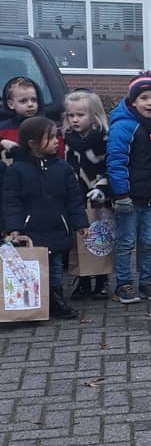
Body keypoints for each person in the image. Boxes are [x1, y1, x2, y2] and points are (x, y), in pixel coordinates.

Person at [1, 116, 88, 319]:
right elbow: (11, 201)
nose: (57, 140)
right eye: (50, 137)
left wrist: (80, 223)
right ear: (32, 143)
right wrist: (14, 227)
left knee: (56, 268)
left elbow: (74, 199)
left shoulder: (63, 168)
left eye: (56, 136)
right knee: (33, 269)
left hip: (57, 226)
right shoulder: (16, 170)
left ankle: (56, 301)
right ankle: (35, 303)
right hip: (31, 231)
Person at [107, 72, 151, 304]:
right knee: (126, 241)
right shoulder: (124, 126)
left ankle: (146, 281)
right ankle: (123, 284)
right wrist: (121, 194)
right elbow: (116, 161)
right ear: (133, 101)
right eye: (144, 98)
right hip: (129, 198)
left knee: (150, 241)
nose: (150, 103)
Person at [64, 90, 111, 299]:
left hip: (99, 194)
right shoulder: (67, 139)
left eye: (80, 115)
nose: (74, 120)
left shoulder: (103, 138)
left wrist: (102, 188)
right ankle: (83, 279)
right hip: (75, 194)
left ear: (94, 115)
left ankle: (101, 279)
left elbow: (109, 166)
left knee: (101, 236)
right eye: (71, 115)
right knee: (79, 237)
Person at [1, 77, 63, 189]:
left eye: (34, 100)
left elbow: (59, 154)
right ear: (11, 104)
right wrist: (2, 143)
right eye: (23, 101)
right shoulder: (3, 129)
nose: (30, 104)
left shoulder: (48, 127)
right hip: (9, 183)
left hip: (42, 182)